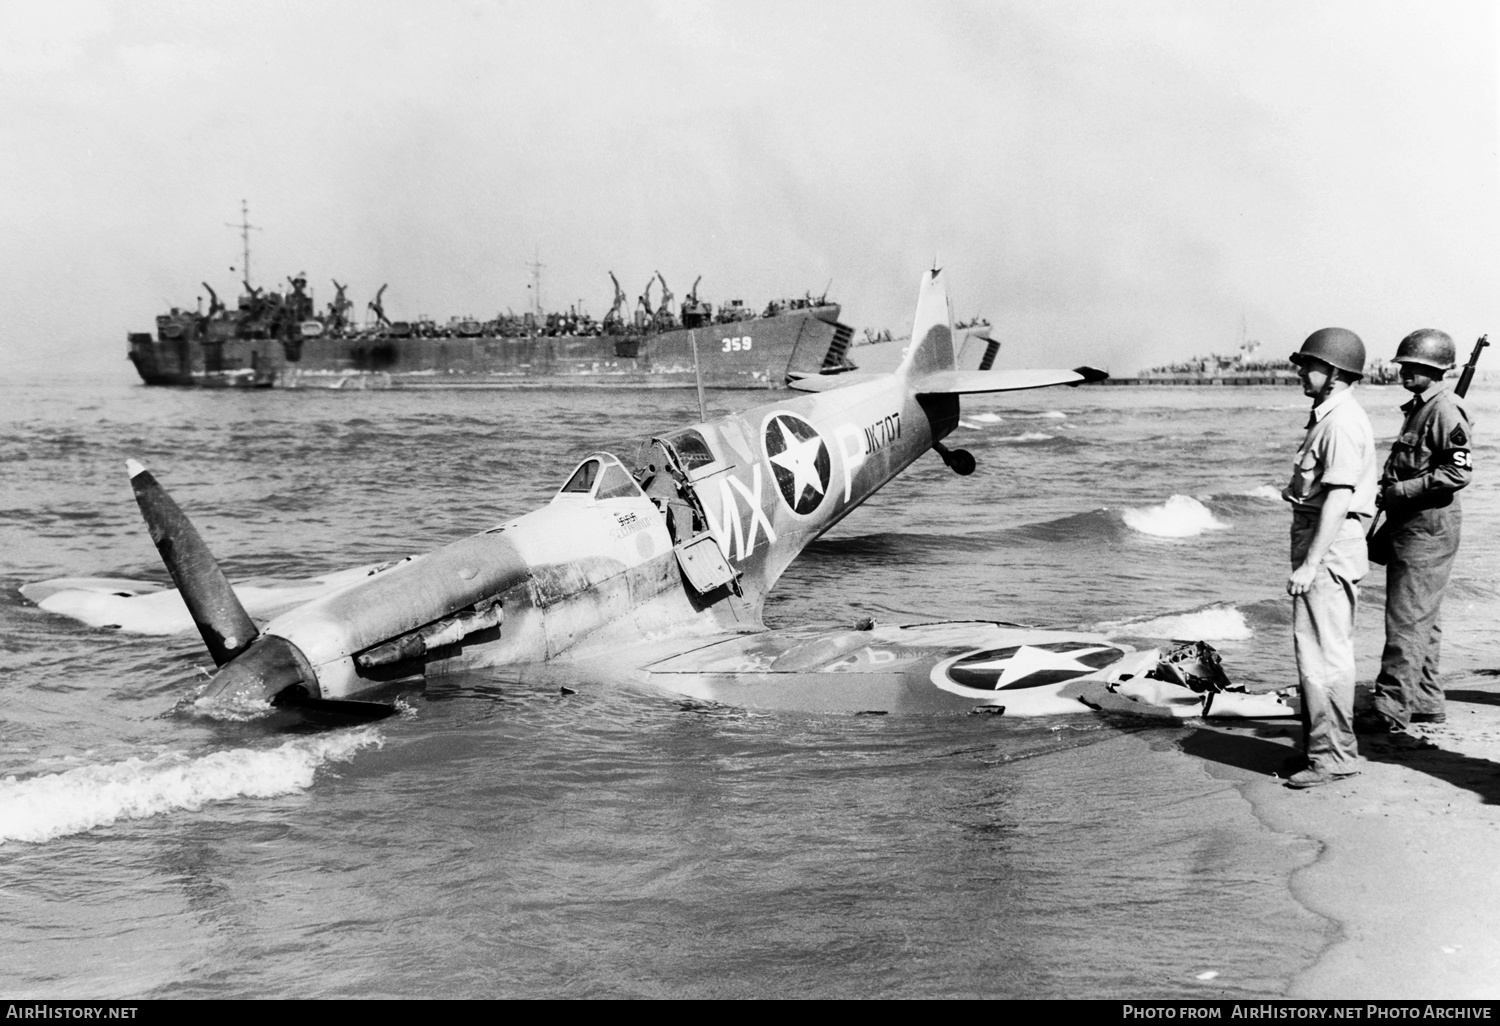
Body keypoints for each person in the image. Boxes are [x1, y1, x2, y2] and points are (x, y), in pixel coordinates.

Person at [1358, 329, 1472, 733]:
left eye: (1414, 366)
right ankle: (1424, 700)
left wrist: (1398, 491)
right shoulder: (1421, 407)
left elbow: (1458, 471)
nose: (1403, 371)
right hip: (1412, 525)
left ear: (1435, 370)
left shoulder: (1444, 410)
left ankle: (1390, 710)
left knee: (1405, 621)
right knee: (1423, 618)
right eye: (1405, 364)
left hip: (1427, 528)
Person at [1281, 328, 1378, 788]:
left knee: (1323, 655)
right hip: (1330, 542)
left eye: (1309, 364)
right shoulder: (1330, 416)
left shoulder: (1340, 423)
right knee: (1322, 650)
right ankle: (1326, 749)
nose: (1301, 371)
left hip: (1330, 546)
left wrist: (1310, 564)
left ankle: (1332, 757)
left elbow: (1339, 500)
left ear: (1335, 373)